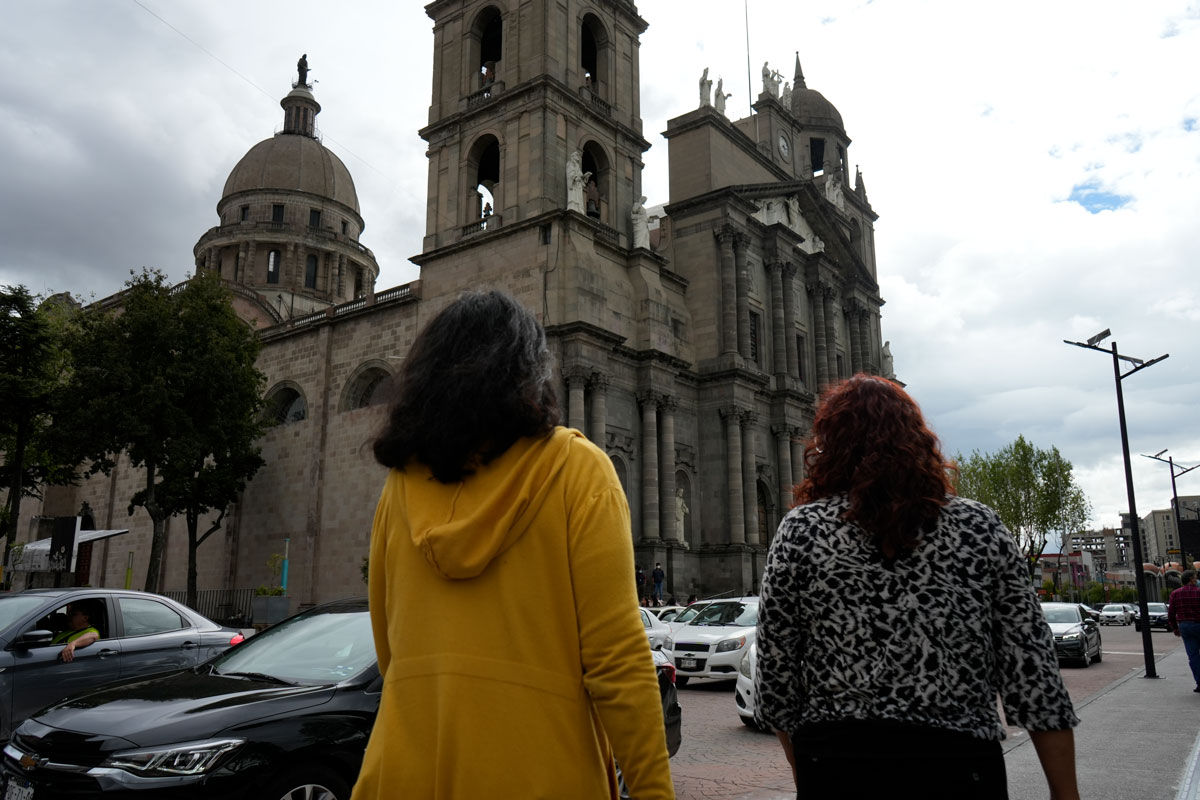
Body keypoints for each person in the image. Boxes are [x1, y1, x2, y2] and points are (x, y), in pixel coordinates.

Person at [352, 290, 673, 800]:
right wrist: (655, 790)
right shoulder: (579, 471)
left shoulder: (400, 488)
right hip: (541, 771)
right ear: (530, 372)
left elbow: (390, 649)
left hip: (405, 770)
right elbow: (617, 661)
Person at [754, 374, 1079, 800]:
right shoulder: (979, 527)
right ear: (917, 437)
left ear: (830, 444)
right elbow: (1033, 673)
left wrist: (808, 772)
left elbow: (775, 679)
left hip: (836, 763)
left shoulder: (801, 530)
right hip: (960, 764)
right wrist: (1065, 794)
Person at [1167, 569, 1200, 693]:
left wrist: (1175, 628)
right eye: (1195, 577)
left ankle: (1199, 682)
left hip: (1185, 626)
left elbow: (1171, 613)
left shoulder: (1175, 594)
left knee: (1193, 656)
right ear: (1191, 579)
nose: (1196, 579)